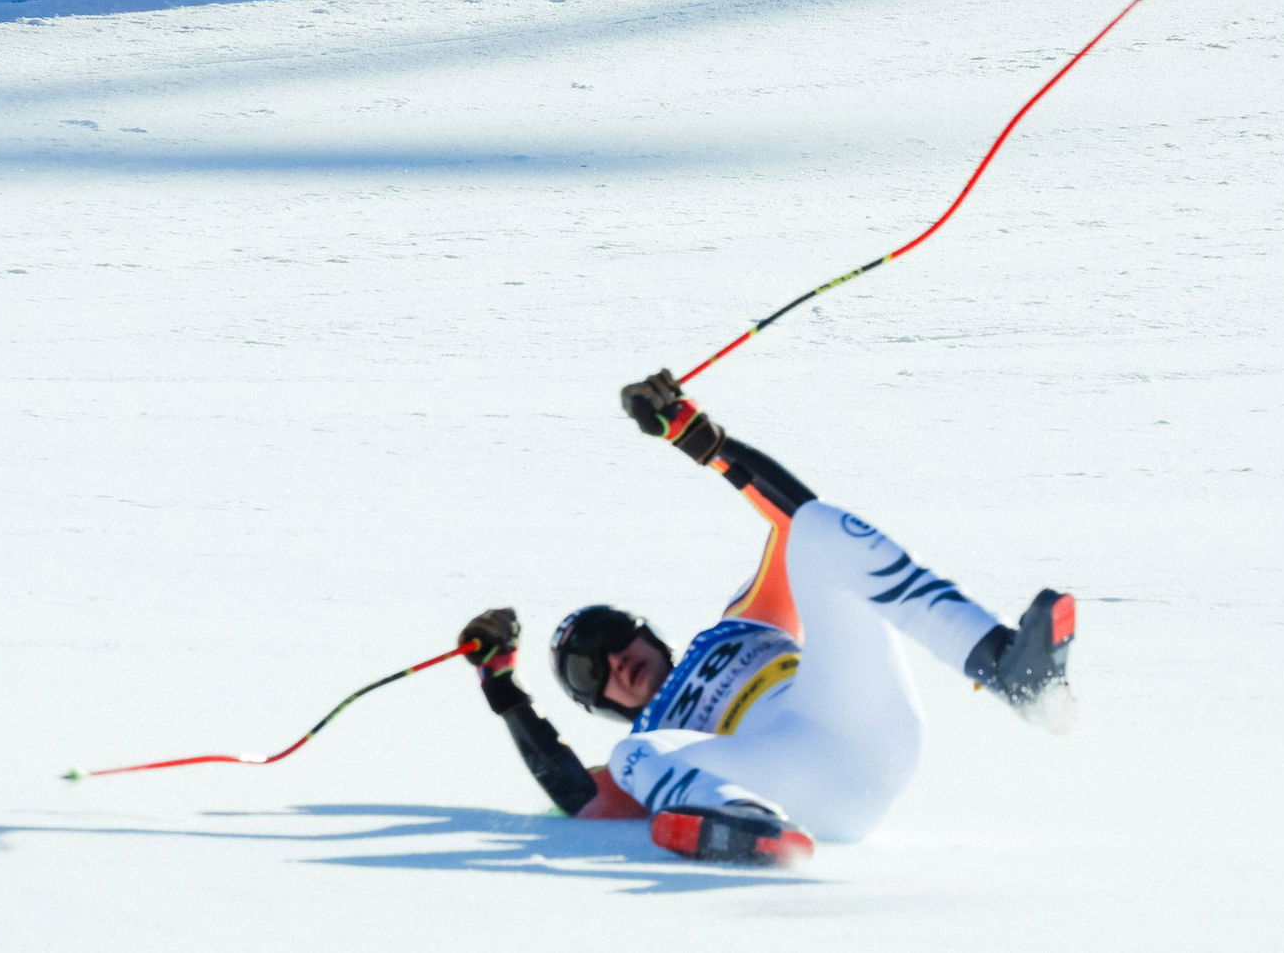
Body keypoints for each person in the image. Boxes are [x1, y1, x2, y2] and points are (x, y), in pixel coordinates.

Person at [459, 370, 1076, 865]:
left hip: (860, 726)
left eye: (615, 637)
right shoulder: (652, 742)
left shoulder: (743, 620)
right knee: (633, 754)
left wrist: (697, 436)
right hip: (780, 780)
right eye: (590, 670)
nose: (614, 659)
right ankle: (738, 822)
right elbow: (580, 797)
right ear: (595, 701)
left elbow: (792, 522)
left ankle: (1010, 671)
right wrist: (499, 683)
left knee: (821, 527)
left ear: (645, 631)